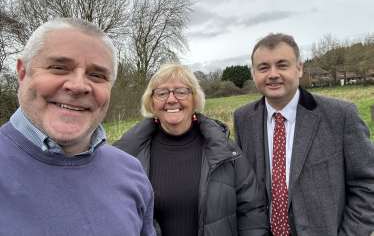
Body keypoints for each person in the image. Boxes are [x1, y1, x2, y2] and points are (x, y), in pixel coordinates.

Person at [0, 18, 155, 236]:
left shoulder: (131, 172)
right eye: (59, 68)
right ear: (23, 72)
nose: (78, 86)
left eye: (97, 75)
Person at [234, 33, 374, 236]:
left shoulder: (340, 115)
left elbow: (368, 184)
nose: (273, 74)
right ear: (254, 74)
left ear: (299, 69)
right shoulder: (243, 118)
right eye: (263, 67)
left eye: (282, 65)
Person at [113, 63, 269, 236]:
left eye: (181, 92)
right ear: (151, 101)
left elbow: (252, 212)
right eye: (162, 93)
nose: (171, 99)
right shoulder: (128, 155)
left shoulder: (226, 152)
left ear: (195, 98)